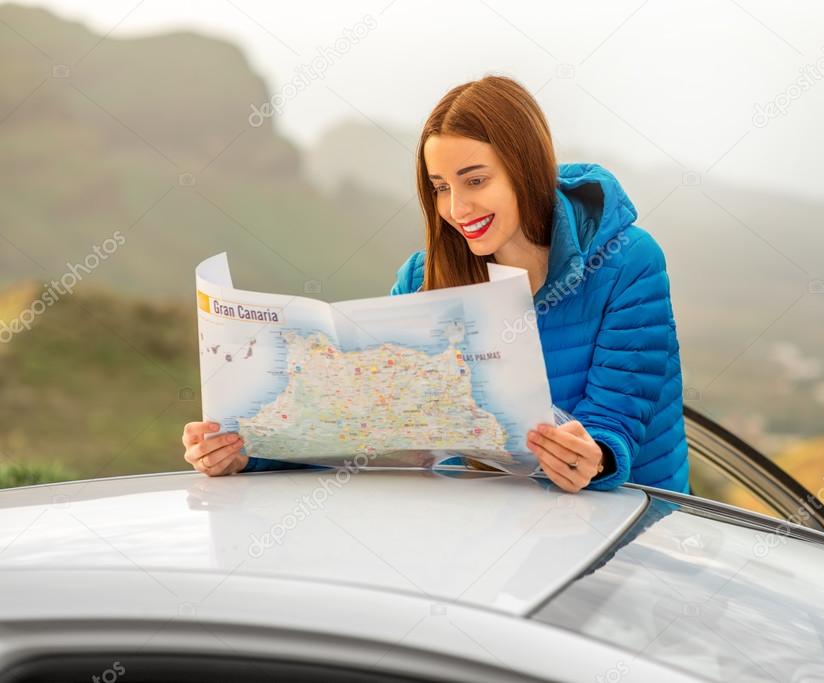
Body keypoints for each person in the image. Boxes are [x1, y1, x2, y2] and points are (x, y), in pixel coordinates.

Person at [183, 75, 690, 494]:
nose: (456, 209)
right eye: (441, 188)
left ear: (526, 167)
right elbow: (369, 430)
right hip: (486, 537)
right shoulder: (421, 278)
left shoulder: (629, 262)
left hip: (629, 534)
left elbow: (616, 424)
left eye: (475, 180)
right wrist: (249, 454)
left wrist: (594, 459)